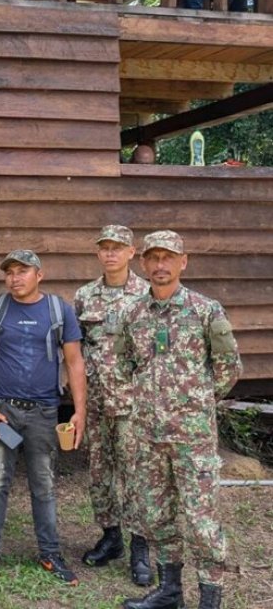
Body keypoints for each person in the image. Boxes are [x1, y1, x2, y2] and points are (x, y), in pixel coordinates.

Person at [120, 231, 242, 609]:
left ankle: (210, 598)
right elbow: (126, 364)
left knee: (201, 519)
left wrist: (196, 404)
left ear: (182, 262)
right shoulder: (133, 313)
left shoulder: (206, 310)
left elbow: (228, 368)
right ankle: (170, 591)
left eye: (168, 258)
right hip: (148, 436)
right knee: (157, 514)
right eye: (153, 258)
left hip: (193, 438)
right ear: (143, 263)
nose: (160, 266)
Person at [0, 250, 87, 585]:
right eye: (9, 272)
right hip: (2, 411)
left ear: (40, 274)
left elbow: (75, 362)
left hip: (43, 411)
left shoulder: (58, 310)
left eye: (22, 271)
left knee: (44, 484)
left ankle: (50, 553)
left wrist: (79, 411)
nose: (14, 277)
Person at [75, 226, 152, 585]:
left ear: (131, 253)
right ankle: (111, 536)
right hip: (95, 402)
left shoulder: (147, 296)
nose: (110, 254)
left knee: (135, 475)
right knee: (99, 472)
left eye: (117, 248)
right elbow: (74, 350)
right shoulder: (84, 295)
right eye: (104, 248)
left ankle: (140, 546)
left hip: (133, 404)